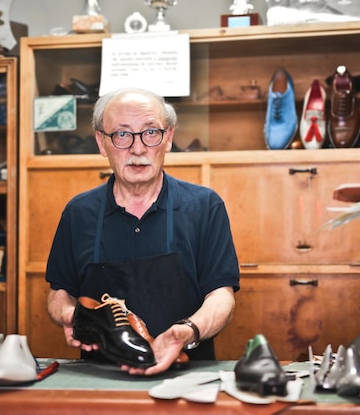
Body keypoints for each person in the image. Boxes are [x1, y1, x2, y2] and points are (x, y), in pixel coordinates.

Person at [45, 87, 240, 375]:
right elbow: (59, 291)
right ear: (102, 142)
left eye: (151, 133)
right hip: (101, 378)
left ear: (168, 138)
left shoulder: (204, 207)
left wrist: (186, 331)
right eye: (122, 135)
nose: (138, 150)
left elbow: (222, 296)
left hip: (188, 374)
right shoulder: (79, 212)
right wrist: (69, 314)